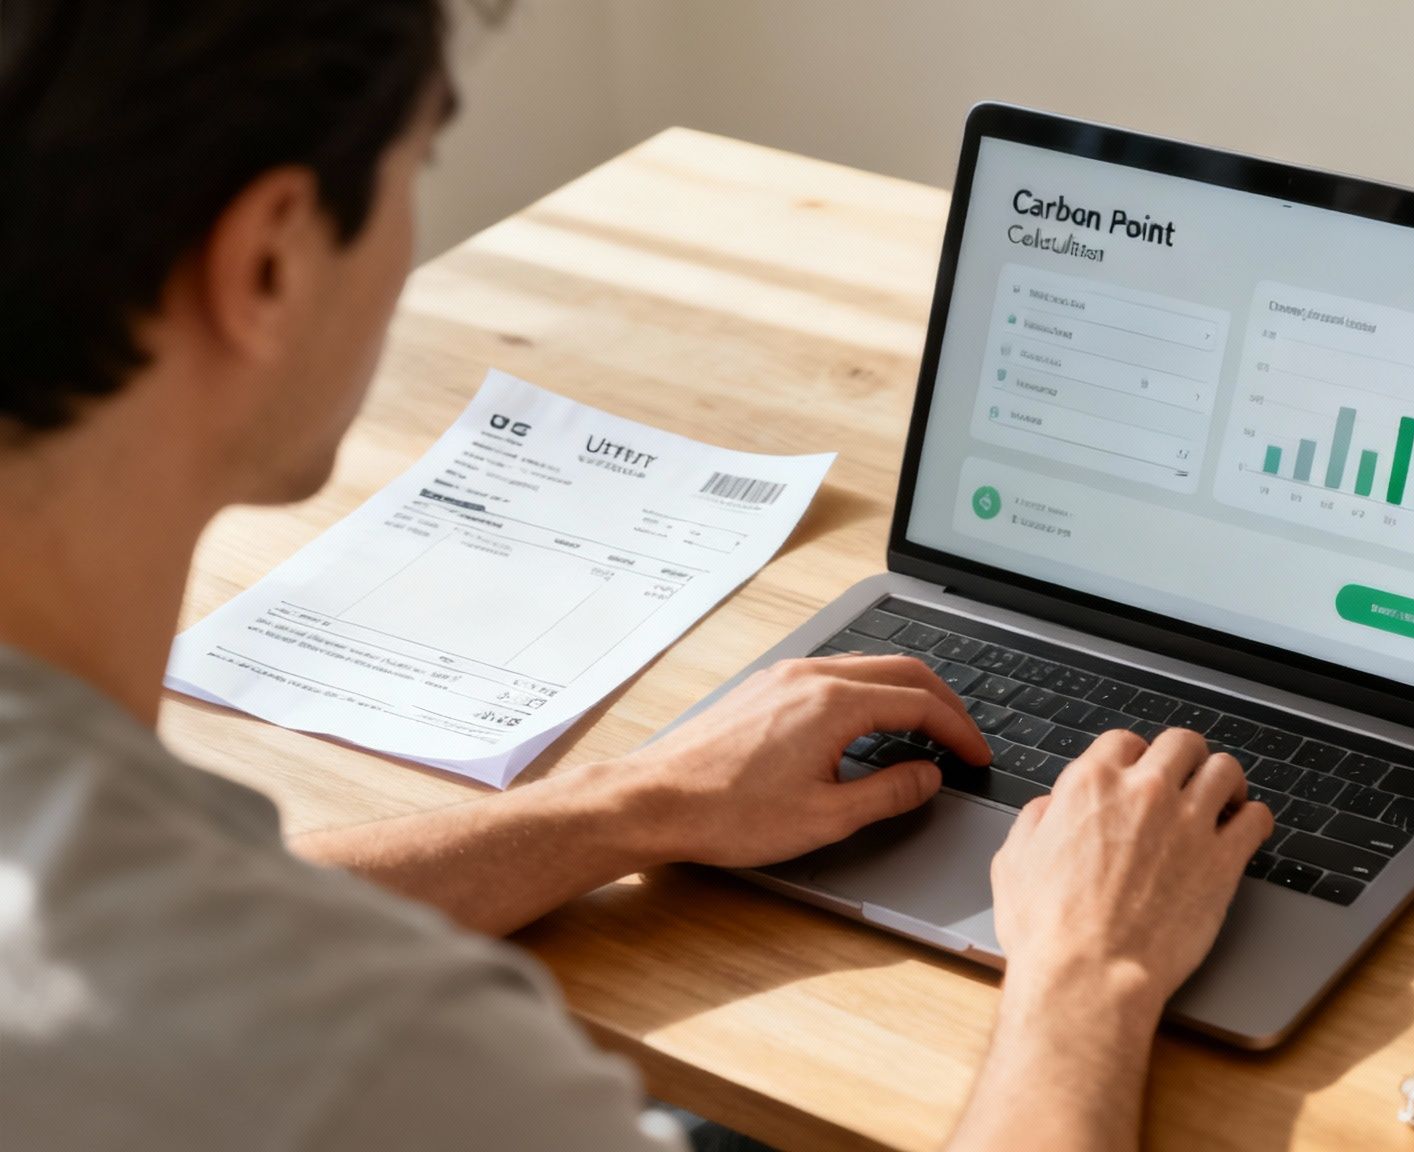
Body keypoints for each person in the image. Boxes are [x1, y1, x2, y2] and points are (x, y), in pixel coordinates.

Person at [0, 4, 1275, 1150]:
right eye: (415, 171)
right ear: (270, 260)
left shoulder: (103, 907)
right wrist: (1089, 973)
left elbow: (221, 933)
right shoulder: (384, 1063)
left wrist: (619, 807)